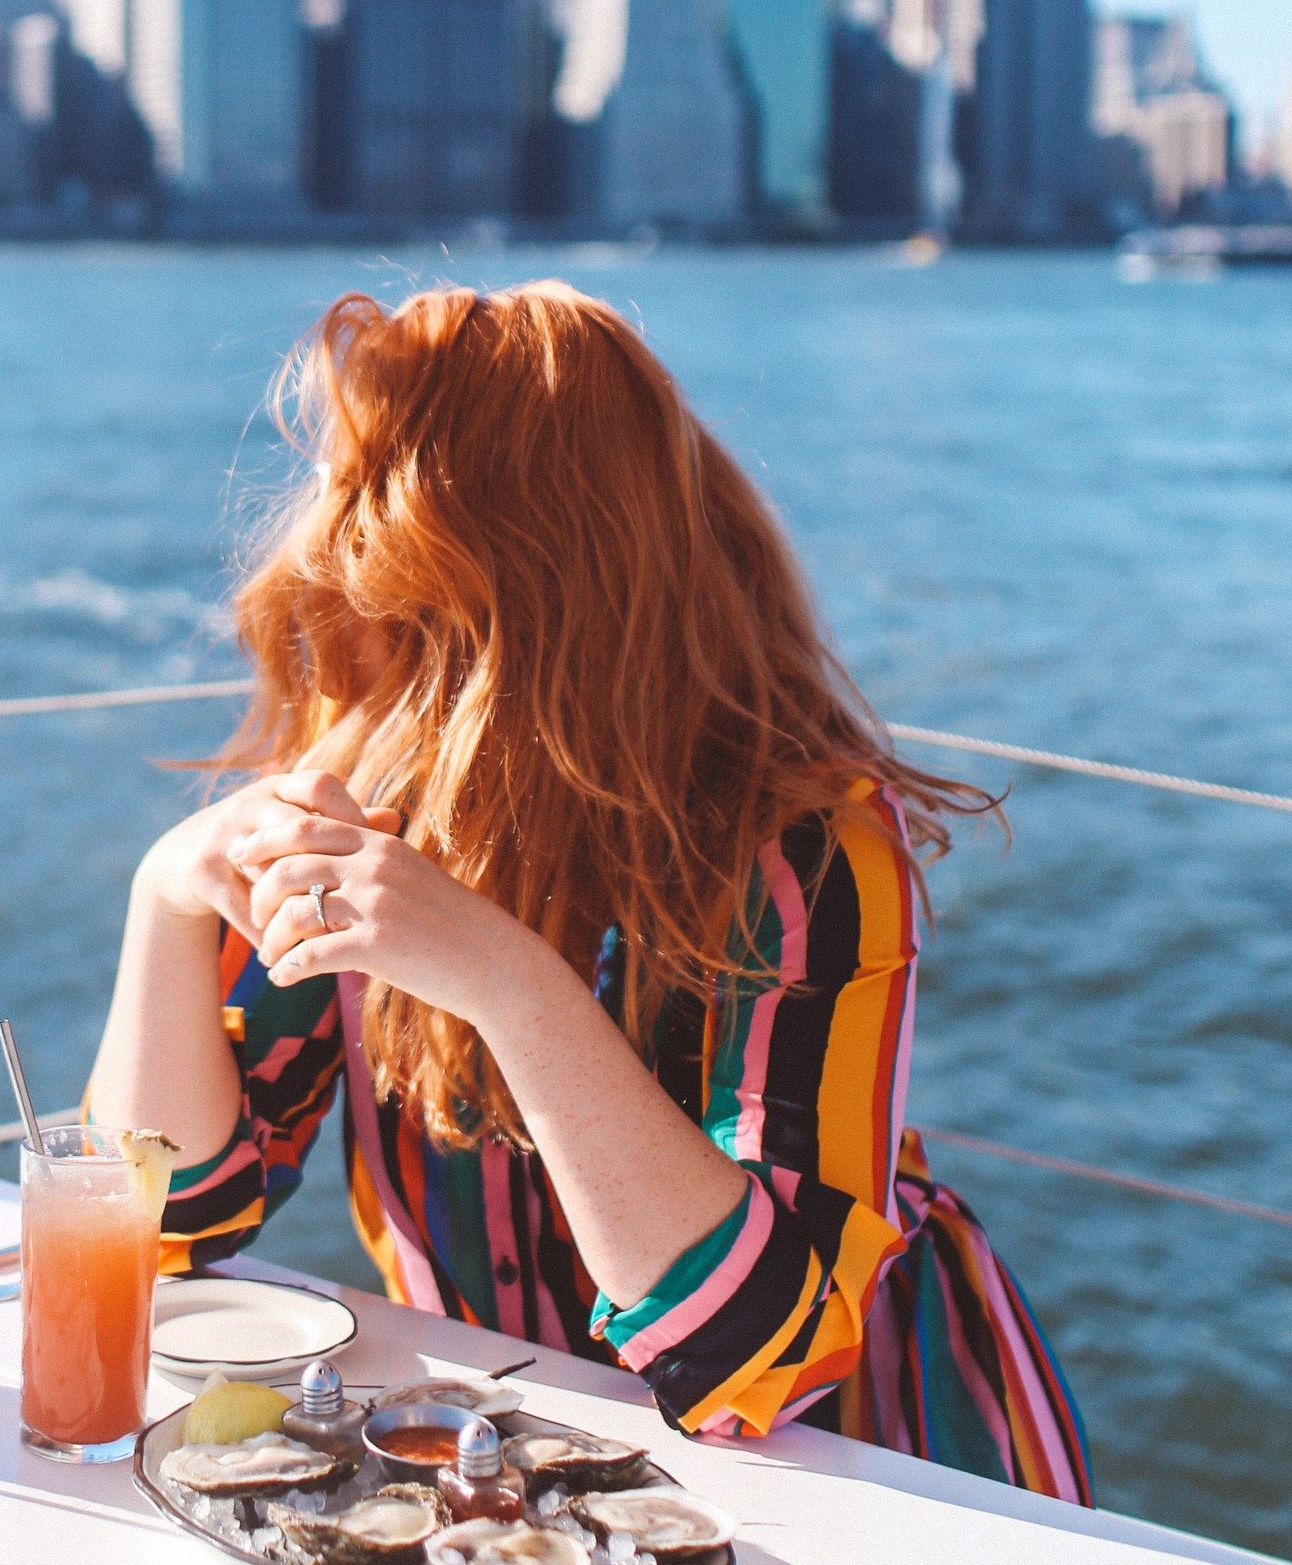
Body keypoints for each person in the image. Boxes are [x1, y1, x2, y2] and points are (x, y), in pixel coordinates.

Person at [88, 283, 1090, 1501]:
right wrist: (165, 900)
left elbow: (755, 1357)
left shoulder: (807, 844)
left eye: (368, 509)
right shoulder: (369, 795)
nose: (323, 551)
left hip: (881, 1452)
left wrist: (505, 980)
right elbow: (171, 1218)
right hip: (506, 1463)